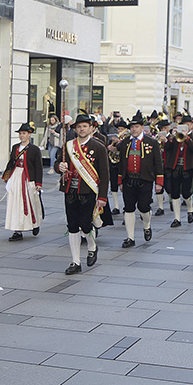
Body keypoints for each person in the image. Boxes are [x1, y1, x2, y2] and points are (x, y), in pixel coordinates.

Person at [56, 114, 109, 275]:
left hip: (88, 191)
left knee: (85, 225)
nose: (81, 129)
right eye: (79, 126)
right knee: (72, 225)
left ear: (91, 128)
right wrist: (61, 166)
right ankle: (75, 261)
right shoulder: (68, 146)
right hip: (70, 191)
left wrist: (102, 197)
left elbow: (104, 174)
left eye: (84, 126)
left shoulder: (98, 147)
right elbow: (57, 162)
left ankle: (92, 247)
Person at [117, 111, 164, 248]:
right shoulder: (125, 143)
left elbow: (158, 163)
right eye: (131, 127)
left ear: (142, 128)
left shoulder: (152, 142)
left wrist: (159, 182)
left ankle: (147, 225)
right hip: (129, 180)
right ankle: (130, 238)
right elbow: (121, 164)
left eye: (136, 127)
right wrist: (120, 181)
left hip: (145, 180)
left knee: (144, 207)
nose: (134, 129)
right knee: (129, 208)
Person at [4, 123, 43, 241]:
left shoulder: (34, 149)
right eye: (20, 134)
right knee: (15, 202)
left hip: (28, 178)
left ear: (29, 134)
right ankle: (17, 230)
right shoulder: (15, 147)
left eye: (24, 133)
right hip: (16, 176)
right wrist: (6, 175)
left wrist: (38, 183)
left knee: (32, 202)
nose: (22, 136)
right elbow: (11, 162)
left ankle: (35, 223)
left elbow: (38, 167)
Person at [163, 117, 193, 227]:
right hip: (175, 167)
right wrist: (171, 137)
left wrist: (187, 138)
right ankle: (177, 218)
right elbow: (167, 148)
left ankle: (190, 210)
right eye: (183, 125)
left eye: (188, 125)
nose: (186, 127)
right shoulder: (175, 137)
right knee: (175, 193)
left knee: (186, 191)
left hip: (188, 167)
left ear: (191, 126)